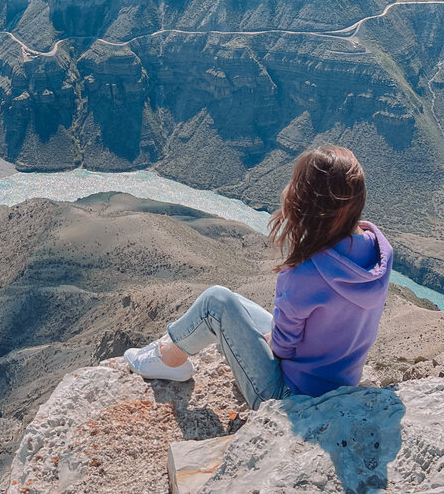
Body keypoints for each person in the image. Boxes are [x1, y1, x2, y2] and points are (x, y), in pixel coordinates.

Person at [124, 144, 392, 408]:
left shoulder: (306, 273)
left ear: (308, 205)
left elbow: (283, 348)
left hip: (290, 397)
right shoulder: (378, 252)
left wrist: (266, 340)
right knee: (234, 302)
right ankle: (173, 346)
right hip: (341, 384)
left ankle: (170, 360)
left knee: (216, 302)